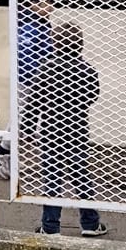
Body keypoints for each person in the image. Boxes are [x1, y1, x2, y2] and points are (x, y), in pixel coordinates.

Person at [21, 22, 105, 236]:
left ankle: (50, 226)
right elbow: (92, 96)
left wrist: (28, 128)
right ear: (81, 45)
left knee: (52, 179)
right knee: (81, 177)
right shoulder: (87, 70)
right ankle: (90, 223)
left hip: (51, 131)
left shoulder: (46, 69)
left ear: (54, 44)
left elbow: (34, 101)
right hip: (76, 129)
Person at [14, 0, 55, 118]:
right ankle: (18, 134)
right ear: (34, 5)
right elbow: (25, 55)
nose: (51, 8)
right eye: (48, 3)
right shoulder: (30, 26)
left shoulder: (41, 23)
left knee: (30, 113)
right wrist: (39, 75)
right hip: (30, 80)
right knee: (24, 112)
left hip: (38, 78)